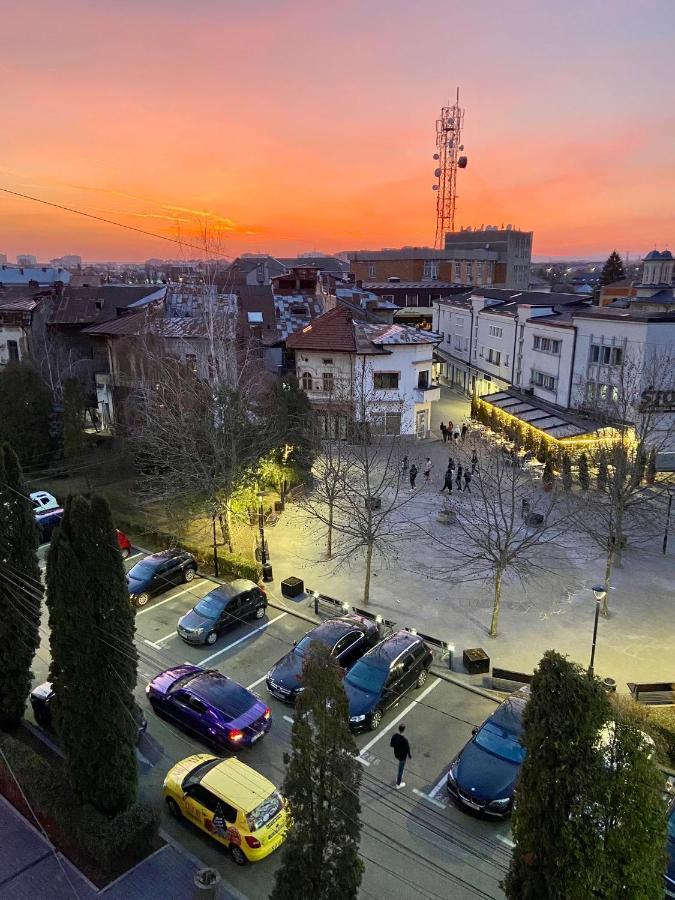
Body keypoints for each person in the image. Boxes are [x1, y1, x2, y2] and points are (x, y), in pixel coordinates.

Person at [390, 724, 412, 789]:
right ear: (404, 730)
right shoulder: (405, 739)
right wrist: (409, 755)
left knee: (400, 768)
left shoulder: (394, 736)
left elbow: (391, 745)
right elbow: (408, 749)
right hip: (402, 756)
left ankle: (399, 778)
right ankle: (398, 784)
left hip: (396, 754)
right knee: (401, 770)